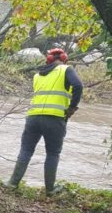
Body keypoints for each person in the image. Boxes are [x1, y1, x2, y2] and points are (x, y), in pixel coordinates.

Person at [5, 47, 83, 195]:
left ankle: (12, 183)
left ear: (48, 60)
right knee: (53, 153)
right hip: (55, 118)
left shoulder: (38, 75)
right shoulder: (66, 69)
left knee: (26, 150)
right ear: (64, 59)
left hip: (33, 117)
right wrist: (72, 108)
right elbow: (78, 86)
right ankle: (50, 189)